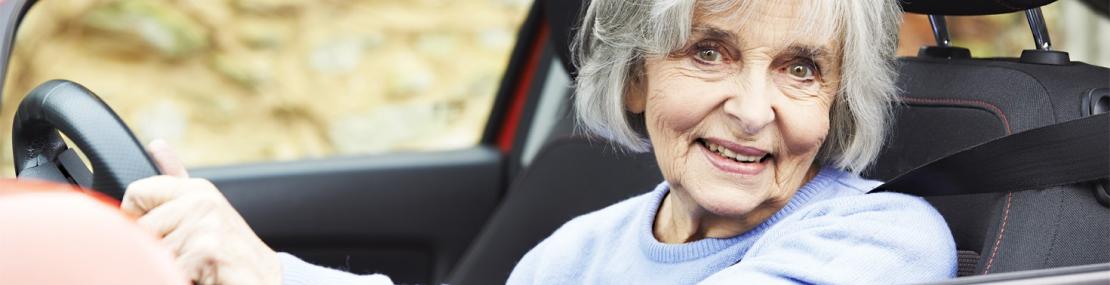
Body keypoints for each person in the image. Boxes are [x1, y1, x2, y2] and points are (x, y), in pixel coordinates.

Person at [123, 0, 957, 284]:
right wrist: (261, 268)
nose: (751, 107)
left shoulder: (884, 240)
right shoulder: (573, 253)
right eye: (710, 51)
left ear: (835, 102)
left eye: (801, 69)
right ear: (637, 78)